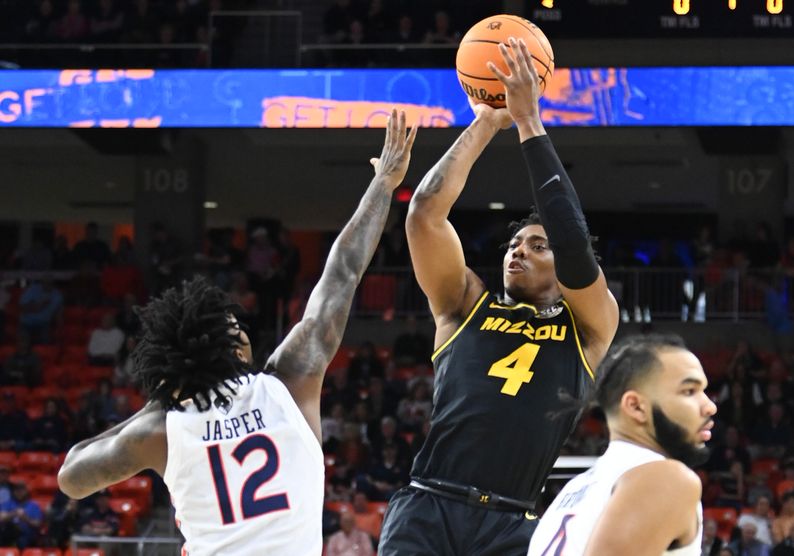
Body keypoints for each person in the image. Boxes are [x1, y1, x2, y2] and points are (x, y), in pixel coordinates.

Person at [56, 110, 417, 555]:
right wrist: (382, 184)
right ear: (234, 349)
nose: (243, 331)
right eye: (235, 329)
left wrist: (160, 401)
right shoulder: (291, 378)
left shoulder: (161, 428)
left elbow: (71, 477)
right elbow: (342, 271)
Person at [378, 38, 618, 555]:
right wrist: (487, 123)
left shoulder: (590, 327)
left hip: (511, 522)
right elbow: (424, 215)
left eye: (537, 246)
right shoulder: (465, 305)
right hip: (428, 505)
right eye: (513, 243)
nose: (518, 252)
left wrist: (530, 122)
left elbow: (574, 242)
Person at [527, 333, 717, 555]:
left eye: (704, 390)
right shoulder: (665, 478)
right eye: (689, 391)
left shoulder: (573, 490)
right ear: (636, 407)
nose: (709, 406)